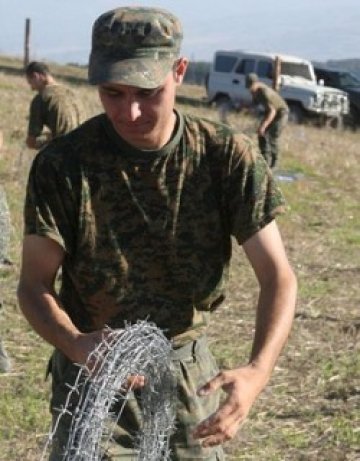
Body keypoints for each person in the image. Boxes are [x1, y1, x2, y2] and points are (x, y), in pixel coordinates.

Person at [17, 6, 297, 460]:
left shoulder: (226, 157)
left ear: (179, 72)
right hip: (93, 372)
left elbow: (278, 276)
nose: (129, 111)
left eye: (148, 92)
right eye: (112, 92)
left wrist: (258, 371)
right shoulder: (64, 165)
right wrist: (74, 343)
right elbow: (32, 284)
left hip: (186, 375)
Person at [24, 61, 86, 150]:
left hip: (64, 153)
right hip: (85, 150)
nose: (32, 88)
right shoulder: (72, 94)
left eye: (30, 83)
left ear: (36, 76)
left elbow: (32, 141)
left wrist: (45, 139)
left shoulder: (41, 99)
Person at [246, 72, 289, 168]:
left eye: (251, 86)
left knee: (271, 136)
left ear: (256, 83)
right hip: (270, 113)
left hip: (281, 114)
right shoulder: (255, 92)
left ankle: (273, 164)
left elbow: (272, 111)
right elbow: (254, 104)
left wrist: (264, 126)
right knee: (261, 135)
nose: (250, 89)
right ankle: (264, 160)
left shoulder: (264, 92)